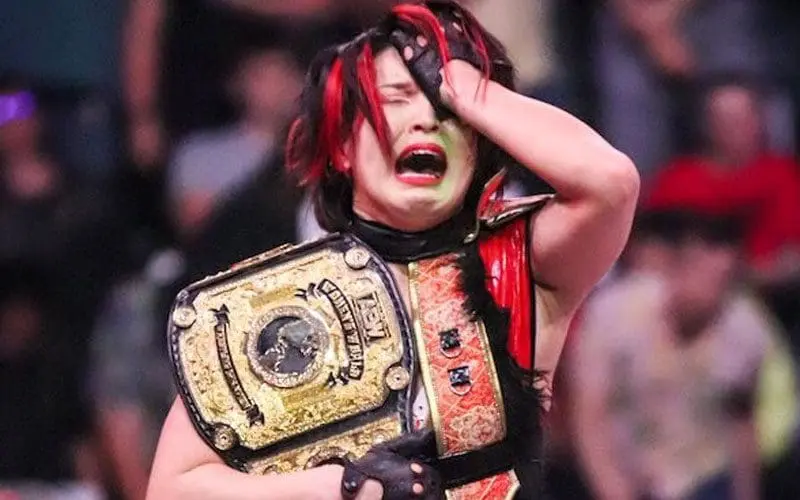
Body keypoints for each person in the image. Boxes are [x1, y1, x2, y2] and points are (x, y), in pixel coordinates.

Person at [146, 1, 639, 499]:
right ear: (343, 146)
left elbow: (611, 183)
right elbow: (172, 489)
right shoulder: (267, 306)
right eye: (397, 98)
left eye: (446, 110)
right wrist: (340, 488)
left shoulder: (517, 265)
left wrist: (465, 86)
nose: (425, 119)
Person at [571, 212, 769, 500]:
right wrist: (612, 489)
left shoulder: (745, 333)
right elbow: (590, 413)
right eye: (699, 272)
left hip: (705, 477)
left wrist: (747, 492)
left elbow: (741, 423)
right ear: (678, 270)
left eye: (723, 280)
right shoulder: (615, 316)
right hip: (631, 475)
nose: (709, 290)